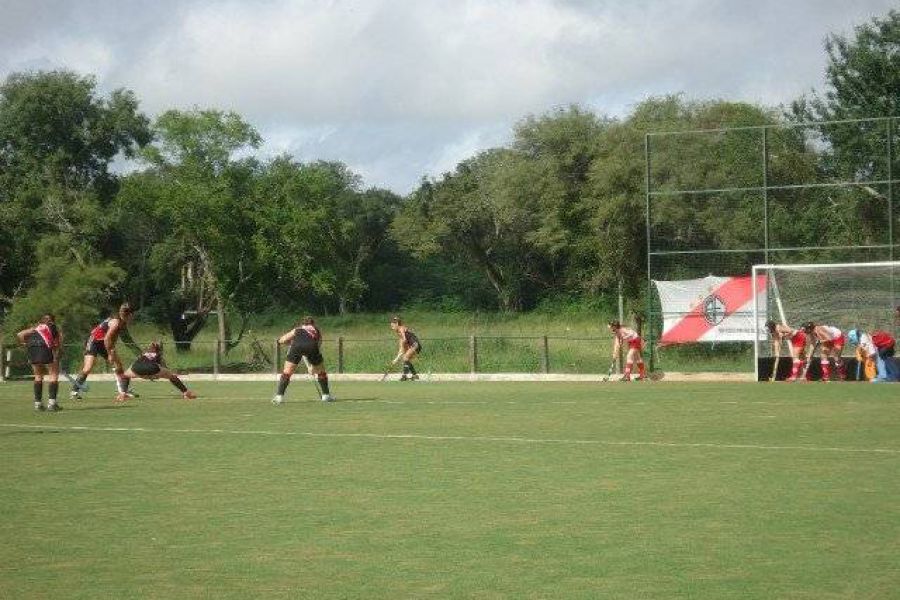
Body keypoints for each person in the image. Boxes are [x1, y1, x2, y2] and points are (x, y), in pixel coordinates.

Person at [71, 303, 136, 400]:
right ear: (130, 314)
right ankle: (74, 391)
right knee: (88, 368)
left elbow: (113, 338)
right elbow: (107, 338)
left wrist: (112, 351)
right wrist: (110, 354)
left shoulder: (122, 322)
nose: (133, 317)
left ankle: (123, 391)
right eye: (133, 315)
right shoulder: (116, 322)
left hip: (104, 343)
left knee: (118, 366)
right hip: (94, 341)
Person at [272, 316, 333, 404]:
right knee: (321, 372)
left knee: (287, 373)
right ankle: (326, 396)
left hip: (296, 347)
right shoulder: (316, 331)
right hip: (312, 348)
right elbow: (317, 346)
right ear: (313, 323)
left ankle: (279, 397)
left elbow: (283, 340)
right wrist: (312, 365)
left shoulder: (297, 330)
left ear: (302, 324)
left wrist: (289, 344)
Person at [116, 341, 197, 401]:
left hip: (137, 367)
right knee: (172, 377)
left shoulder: (143, 355)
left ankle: (122, 394)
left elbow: (137, 363)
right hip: (152, 368)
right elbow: (163, 367)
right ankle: (186, 393)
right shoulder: (158, 355)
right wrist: (157, 375)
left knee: (125, 375)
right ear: (159, 350)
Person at [17, 314, 63, 411]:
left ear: (41, 321)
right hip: (45, 348)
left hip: (32, 348)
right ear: (52, 321)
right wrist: (56, 355)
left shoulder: (35, 328)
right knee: (53, 374)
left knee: (38, 376)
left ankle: (38, 404)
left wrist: (25, 344)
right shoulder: (53, 327)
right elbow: (58, 343)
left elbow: (19, 335)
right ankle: (52, 404)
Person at [390, 316, 422, 381]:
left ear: (397, 324)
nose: (391, 326)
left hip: (415, 345)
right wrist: (396, 359)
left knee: (405, 358)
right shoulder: (399, 334)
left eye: (393, 325)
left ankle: (404, 376)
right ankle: (415, 375)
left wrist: (403, 344)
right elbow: (401, 349)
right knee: (406, 360)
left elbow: (404, 339)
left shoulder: (401, 329)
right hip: (413, 346)